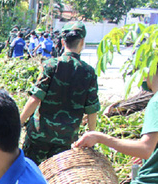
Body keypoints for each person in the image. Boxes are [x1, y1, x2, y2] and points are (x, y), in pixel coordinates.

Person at [19, 21, 100, 165]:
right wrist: (91, 138)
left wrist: (19, 123)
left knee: (30, 174)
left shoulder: (51, 65)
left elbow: (35, 99)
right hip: (66, 139)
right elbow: (92, 109)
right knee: (57, 179)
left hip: (39, 135)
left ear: (63, 42)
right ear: (82, 42)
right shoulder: (89, 72)